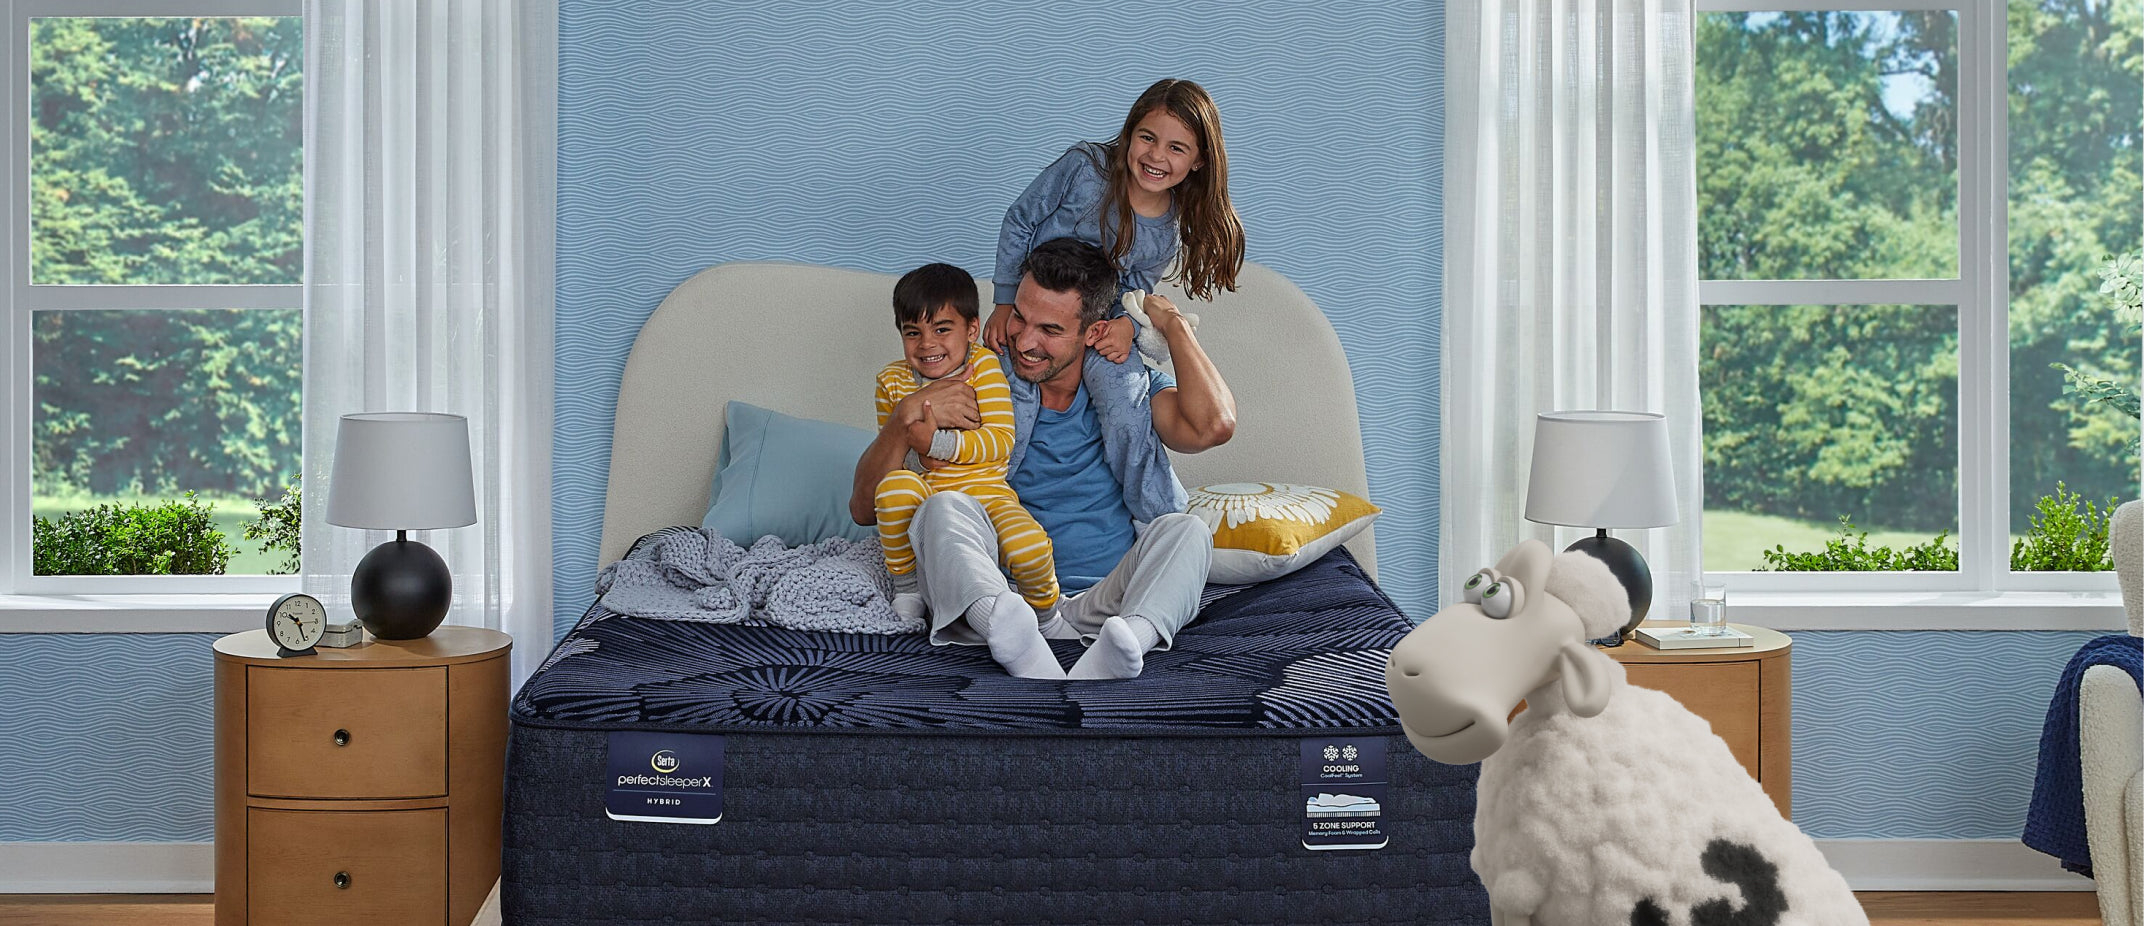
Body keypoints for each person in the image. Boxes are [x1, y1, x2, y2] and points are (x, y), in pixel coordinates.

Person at [851, 238, 1236, 680]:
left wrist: (1173, 327)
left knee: (1188, 530)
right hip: (1001, 594)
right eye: (1019, 317)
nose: (1025, 341)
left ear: (1093, 331)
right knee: (942, 507)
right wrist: (904, 420)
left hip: (1104, 600)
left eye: (1050, 330)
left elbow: (1215, 425)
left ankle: (1129, 641)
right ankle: (1005, 629)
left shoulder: (1126, 392)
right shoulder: (977, 377)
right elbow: (865, 508)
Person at [982, 78, 1246, 527]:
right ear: (1129, 133)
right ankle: (985, 505)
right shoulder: (1084, 169)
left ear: (1200, 160)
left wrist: (1128, 325)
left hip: (1100, 329)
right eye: (1148, 137)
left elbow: (1135, 289)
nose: (1157, 156)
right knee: (1012, 406)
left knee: (1127, 405)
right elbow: (1021, 218)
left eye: (1177, 148)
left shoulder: (1166, 229)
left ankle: (1162, 521)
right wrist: (1006, 303)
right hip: (1039, 320)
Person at [869, 263, 1057, 625]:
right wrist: (920, 449)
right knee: (893, 486)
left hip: (986, 495)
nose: (927, 344)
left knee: (1029, 546)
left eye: (942, 329)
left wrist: (935, 443)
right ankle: (907, 588)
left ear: (972, 329)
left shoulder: (984, 366)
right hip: (926, 498)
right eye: (912, 333)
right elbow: (894, 459)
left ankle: (1047, 615)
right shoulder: (891, 381)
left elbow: (1000, 442)